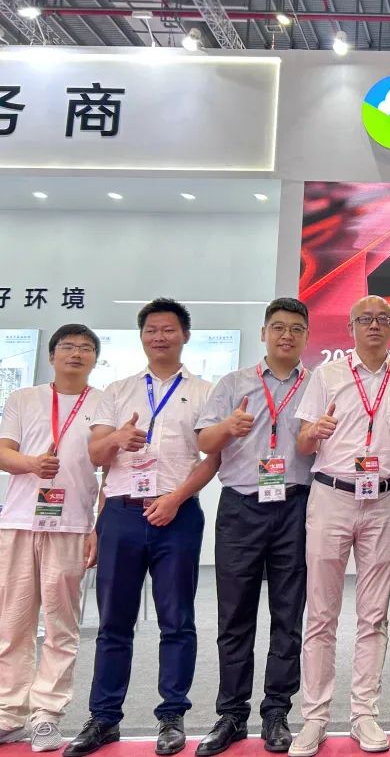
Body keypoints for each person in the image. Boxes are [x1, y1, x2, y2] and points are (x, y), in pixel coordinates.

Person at [65, 298, 219, 757]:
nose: (159, 337)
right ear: (142, 337)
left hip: (177, 514)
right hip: (122, 513)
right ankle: (104, 718)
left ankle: (172, 716)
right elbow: (96, 454)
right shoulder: (117, 390)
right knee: (114, 621)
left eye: (168, 329)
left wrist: (175, 498)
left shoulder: (205, 391)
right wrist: (116, 438)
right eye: (151, 330)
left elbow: (212, 458)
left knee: (177, 620)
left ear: (185, 335)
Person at [287, 295, 390, 757]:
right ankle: (314, 718)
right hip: (332, 497)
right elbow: (302, 442)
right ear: (350, 327)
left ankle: (364, 714)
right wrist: (313, 432)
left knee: (374, 614)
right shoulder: (328, 375)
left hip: (383, 500)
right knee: (321, 614)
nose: (374, 325)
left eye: (382, 319)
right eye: (365, 319)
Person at [194, 298, 315, 756]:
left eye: (296, 328)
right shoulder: (234, 383)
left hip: (296, 505)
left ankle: (277, 712)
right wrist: (229, 427)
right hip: (241, 507)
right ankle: (231, 714)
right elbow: (205, 441)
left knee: (288, 615)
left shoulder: (317, 384)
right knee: (235, 615)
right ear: (264, 333)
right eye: (278, 327)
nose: (287, 335)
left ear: (306, 336)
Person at [0, 326, 102, 752]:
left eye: (85, 348)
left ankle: (47, 715)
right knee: (12, 624)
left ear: (95, 358)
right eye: (68, 347)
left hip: (72, 525)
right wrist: (30, 464)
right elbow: (3, 451)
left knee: (62, 625)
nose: (76, 354)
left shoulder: (103, 403)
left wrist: (98, 525)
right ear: (51, 355)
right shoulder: (24, 398)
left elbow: (112, 470)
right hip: (19, 522)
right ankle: (9, 713)